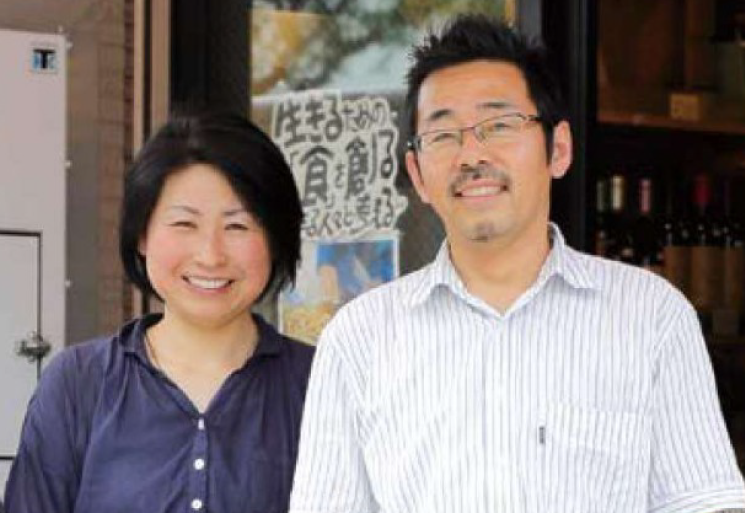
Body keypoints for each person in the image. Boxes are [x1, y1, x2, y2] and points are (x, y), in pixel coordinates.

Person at [289, 14, 745, 513]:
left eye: (500, 125)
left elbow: (701, 503)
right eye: (443, 135)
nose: (471, 155)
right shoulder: (359, 338)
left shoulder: (650, 316)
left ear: (559, 149)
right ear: (417, 174)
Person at [5, 112, 314, 513]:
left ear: (275, 240)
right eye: (184, 223)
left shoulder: (320, 384)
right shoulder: (78, 384)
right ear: (142, 235)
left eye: (237, 226)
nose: (210, 255)